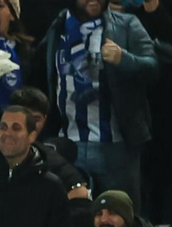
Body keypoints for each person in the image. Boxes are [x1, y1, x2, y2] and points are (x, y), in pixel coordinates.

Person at [39, 0, 158, 202]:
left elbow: (153, 68)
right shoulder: (57, 28)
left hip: (116, 146)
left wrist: (125, 59)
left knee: (123, 220)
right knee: (72, 220)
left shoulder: (127, 24)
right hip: (68, 144)